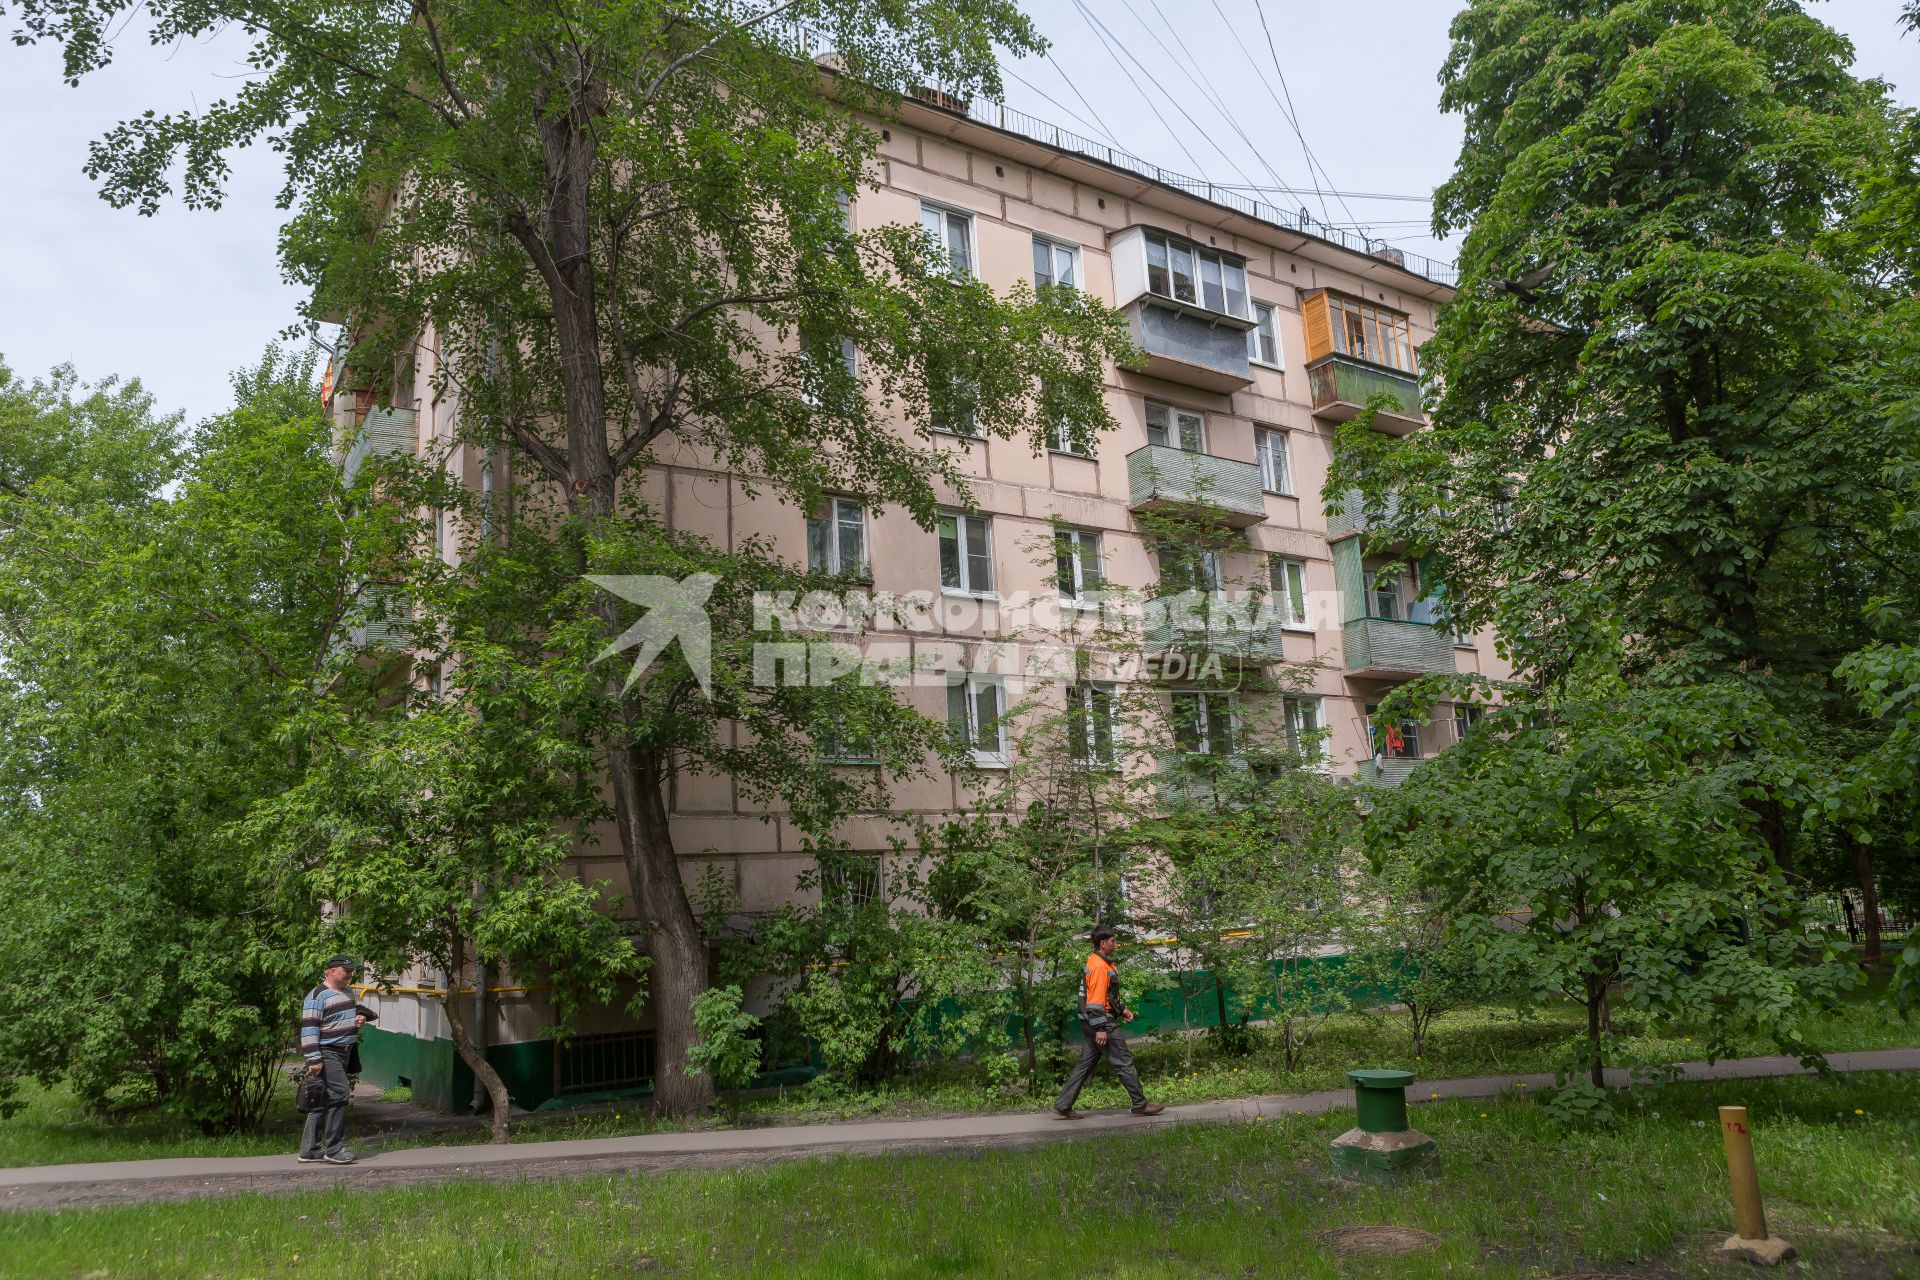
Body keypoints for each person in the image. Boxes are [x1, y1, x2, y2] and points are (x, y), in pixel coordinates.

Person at [1053, 928, 1164, 1119]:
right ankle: (1140, 1104)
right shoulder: (1098, 966)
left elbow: (1106, 995)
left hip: (1093, 1022)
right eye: (1112, 941)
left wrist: (1121, 1009)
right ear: (1103, 943)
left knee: (1085, 1063)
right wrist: (1101, 1028)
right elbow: (1096, 1002)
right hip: (1102, 1022)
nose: (1115, 944)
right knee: (1123, 1061)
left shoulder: (1100, 963)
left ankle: (1063, 1104)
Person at [297, 955, 367, 1164]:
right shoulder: (317, 996)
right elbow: (309, 1028)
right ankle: (334, 1149)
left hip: (344, 1051)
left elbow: (339, 1018)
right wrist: (314, 1059)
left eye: (351, 971)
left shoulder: (346, 992)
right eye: (345, 971)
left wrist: (357, 1020)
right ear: (331, 971)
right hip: (328, 1052)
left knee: (321, 1101)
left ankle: (309, 1150)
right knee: (340, 1094)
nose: (349, 974)